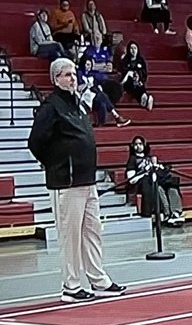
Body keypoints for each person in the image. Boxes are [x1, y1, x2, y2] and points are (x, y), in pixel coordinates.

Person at [26, 58, 126, 303]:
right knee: (70, 236)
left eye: (74, 73)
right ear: (56, 78)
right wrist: (57, 163)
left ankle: (98, 278)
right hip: (66, 182)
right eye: (67, 74)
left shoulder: (78, 105)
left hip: (87, 179)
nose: (73, 78)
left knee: (92, 231)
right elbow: (35, 142)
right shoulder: (51, 107)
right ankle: (71, 285)